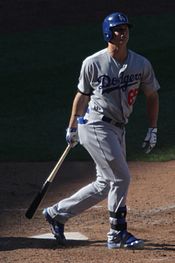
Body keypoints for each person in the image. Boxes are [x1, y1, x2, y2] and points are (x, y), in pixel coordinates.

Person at [43, 12, 159, 249]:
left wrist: (153, 128)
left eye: (125, 28)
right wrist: (72, 127)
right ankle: (117, 234)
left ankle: (57, 214)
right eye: (117, 29)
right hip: (95, 125)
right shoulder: (93, 63)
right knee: (122, 177)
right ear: (108, 33)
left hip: (118, 129)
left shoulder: (141, 64)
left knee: (105, 184)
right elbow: (81, 97)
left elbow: (152, 95)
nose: (123, 32)